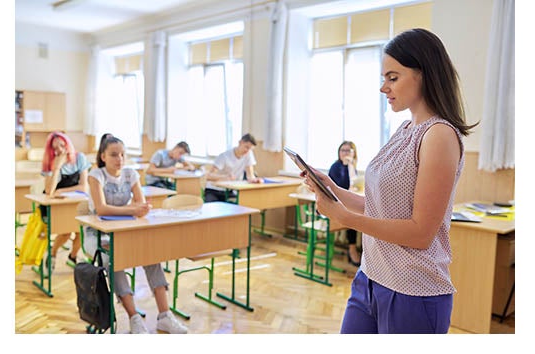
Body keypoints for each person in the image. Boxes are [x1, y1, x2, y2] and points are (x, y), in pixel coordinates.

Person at [303, 28, 478, 334]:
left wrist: (345, 218)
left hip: (413, 290)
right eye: (384, 78)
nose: (384, 87)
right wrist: (333, 188)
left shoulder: (439, 135)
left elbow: (420, 233)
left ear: (423, 74)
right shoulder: (405, 129)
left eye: (392, 77)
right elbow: (381, 207)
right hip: (370, 278)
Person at [83, 135, 188, 334]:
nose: (119, 159)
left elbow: (141, 206)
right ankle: (134, 318)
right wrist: (131, 209)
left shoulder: (131, 174)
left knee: (151, 255)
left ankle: (165, 316)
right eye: (114, 155)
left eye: (122, 154)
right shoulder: (96, 175)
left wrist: (136, 209)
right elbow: (102, 209)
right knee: (113, 259)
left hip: (125, 230)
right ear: (103, 156)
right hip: (97, 235)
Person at [41, 131, 91, 271]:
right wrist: (56, 167)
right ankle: (52, 253)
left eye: (62, 146)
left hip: (75, 204)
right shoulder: (49, 163)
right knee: (65, 232)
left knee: (82, 231)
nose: (60, 150)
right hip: (55, 207)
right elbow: (50, 191)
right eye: (55, 148)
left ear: (68, 144)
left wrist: (61, 191)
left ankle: (73, 256)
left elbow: (84, 187)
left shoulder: (80, 158)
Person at [328, 141, 361, 266]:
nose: (345, 153)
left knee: (358, 212)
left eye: (348, 151)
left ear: (354, 153)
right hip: (334, 203)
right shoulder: (336, 167)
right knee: (352, 215)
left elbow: (354, 184)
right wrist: (348, 166)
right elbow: (342, 186)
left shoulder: (352, 167)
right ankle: (352, 249)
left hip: (346, 202)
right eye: (343, 150)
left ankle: (356, 249)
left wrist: (350, 166)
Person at [204, 133, 263, 202]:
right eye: (246, 147)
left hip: (230, 190)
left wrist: (254, 180)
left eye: (250, 149)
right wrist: (224, 177)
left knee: (243, 204)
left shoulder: (248, 154)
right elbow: (208, 176)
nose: (247, 151)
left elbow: (250, 175)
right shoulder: (224, 156)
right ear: (240, 142)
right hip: (214, 190)